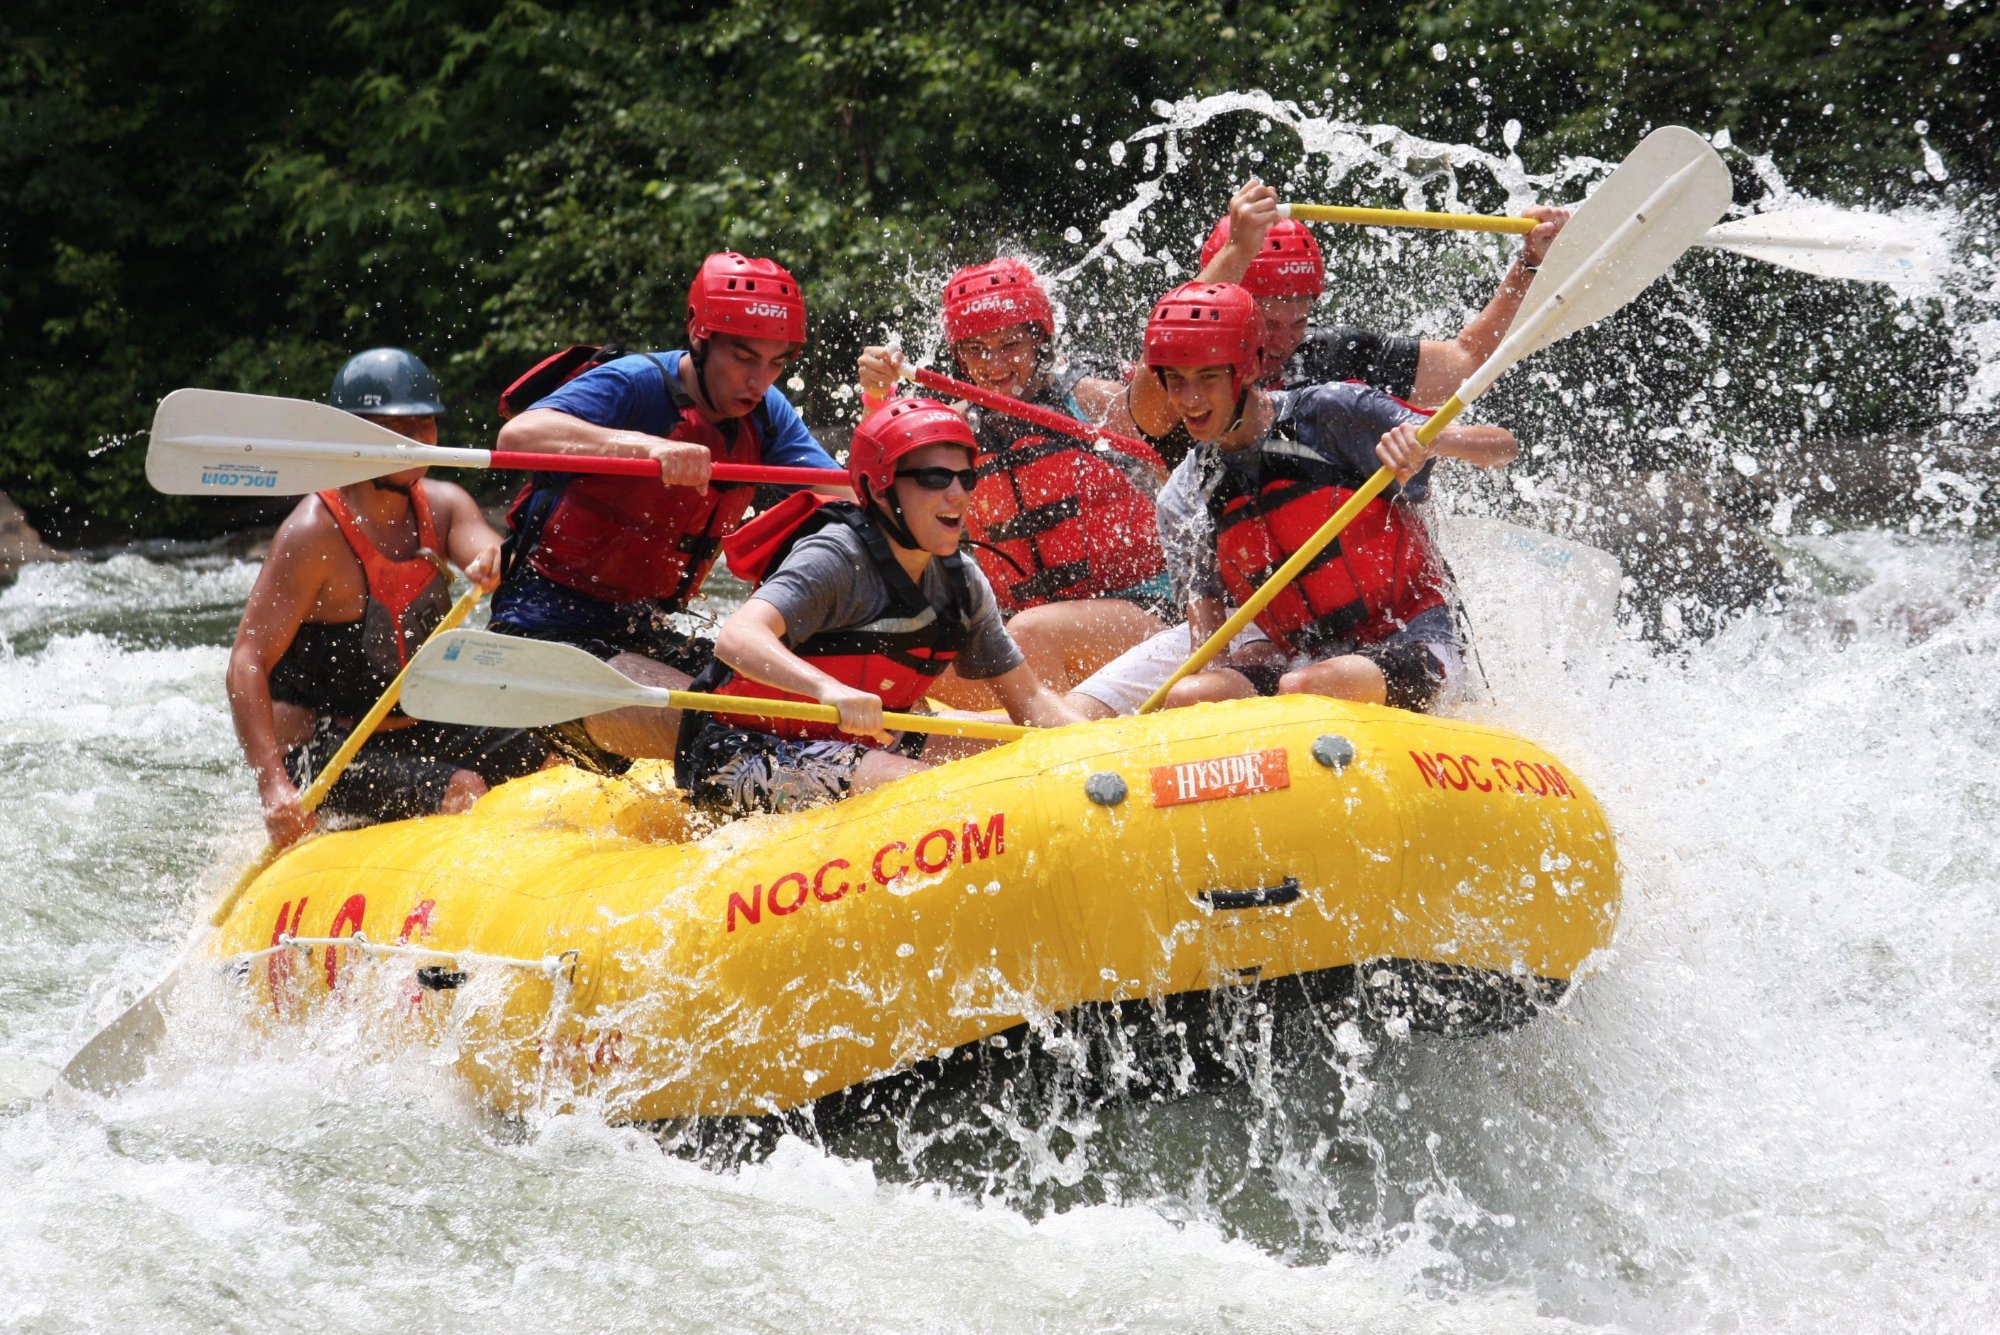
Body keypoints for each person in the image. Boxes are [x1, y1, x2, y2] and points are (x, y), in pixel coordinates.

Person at [1071, 181, 1565, 719]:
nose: (1282, 341)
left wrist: (1531, 267)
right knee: (1131, 705)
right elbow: (1150, 393)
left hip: (1378, 609)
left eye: (1298, 320)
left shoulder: (1335, 382)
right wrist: (1237, 251)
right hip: (1258, 610)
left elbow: (1466, 362)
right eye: (1266, 320)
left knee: (1304, 686)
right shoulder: (1187, 407)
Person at [489, 252, 844, 770]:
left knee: (793, 707)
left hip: (643, 629)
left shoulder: (768, 415)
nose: (759, 381)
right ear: (700, 337)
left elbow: (844, 492)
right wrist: (644, 447)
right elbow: (517, 435)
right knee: (726, 725)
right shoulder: (633, 381)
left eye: (777, 363)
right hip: (545, 630)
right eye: (744, 358)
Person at [676, 397, 1082, 817]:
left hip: (871, 740)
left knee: (1022, 747)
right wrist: (827, 689)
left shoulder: (963, 582)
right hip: (739, 753)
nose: (957, 494)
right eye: (934, 478)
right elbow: (737, 636)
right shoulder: (835, 557)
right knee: (930, 791)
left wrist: (1100, 748)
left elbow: (1030, 700)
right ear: (877, 488)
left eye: (966, 477)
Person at [1134, 283, 1518, 714]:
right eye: (1176, 381)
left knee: (1305, 688)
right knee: (1191, 695)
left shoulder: (1332, 412)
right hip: (1307, 664)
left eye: (1207, 377)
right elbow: (1209, 649)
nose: (1190, 400)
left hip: (1415, 640)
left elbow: (1504, 447)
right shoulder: (1189, 491)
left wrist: (1433, 440)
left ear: (1250, 367)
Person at [227, 349, 547, 849]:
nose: (417, 441)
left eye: (425, 425)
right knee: (462, 789)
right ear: (351, 436)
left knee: (548, 754)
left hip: (419, 724)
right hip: (326, 751)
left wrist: (495, 563)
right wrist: (273, 786)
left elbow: (488, 551)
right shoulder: (312, 534)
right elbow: (246, 660)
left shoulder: (443, 506)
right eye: (396, 428)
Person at [856, 259, 1169, 698]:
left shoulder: (1093, 401)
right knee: (906, 655)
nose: (994, 364)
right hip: (1031, 629)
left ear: (1040, 339)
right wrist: (876, 399)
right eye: (976, 350)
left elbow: (1174, 444)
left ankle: (1062, 750)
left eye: (1009, 344)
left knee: (1029, 632)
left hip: (1148, 613)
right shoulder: (956, 430)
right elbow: (881, 491)